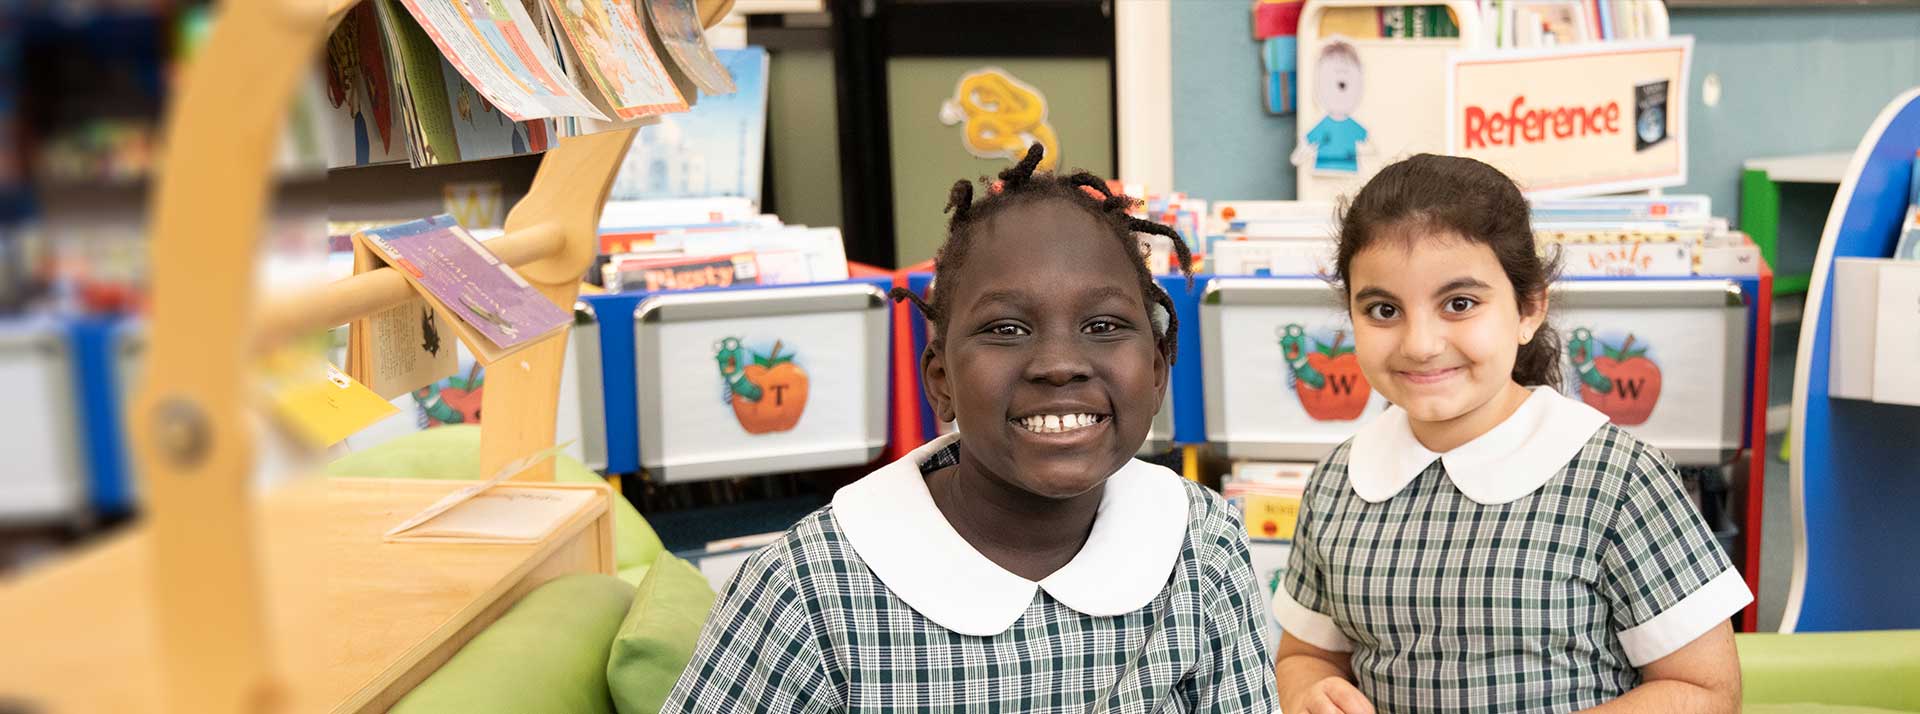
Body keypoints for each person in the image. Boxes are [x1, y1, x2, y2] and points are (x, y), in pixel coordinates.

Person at [664, 144, 1279, 712]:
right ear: (941, 382)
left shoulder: (1201, 542)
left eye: (1104, 326)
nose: (1059, 365)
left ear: (1155, 369)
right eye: (1007, 330)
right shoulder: (809, 590)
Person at [1272, 154, 1749, 714]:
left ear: (1529, 309)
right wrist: (1308, 689)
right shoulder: (1338, 483)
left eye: (1460, 303)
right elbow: (1306, 656)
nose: (1420, 343)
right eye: (1383, 309)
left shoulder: (1619, 479)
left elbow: (1707, 690)